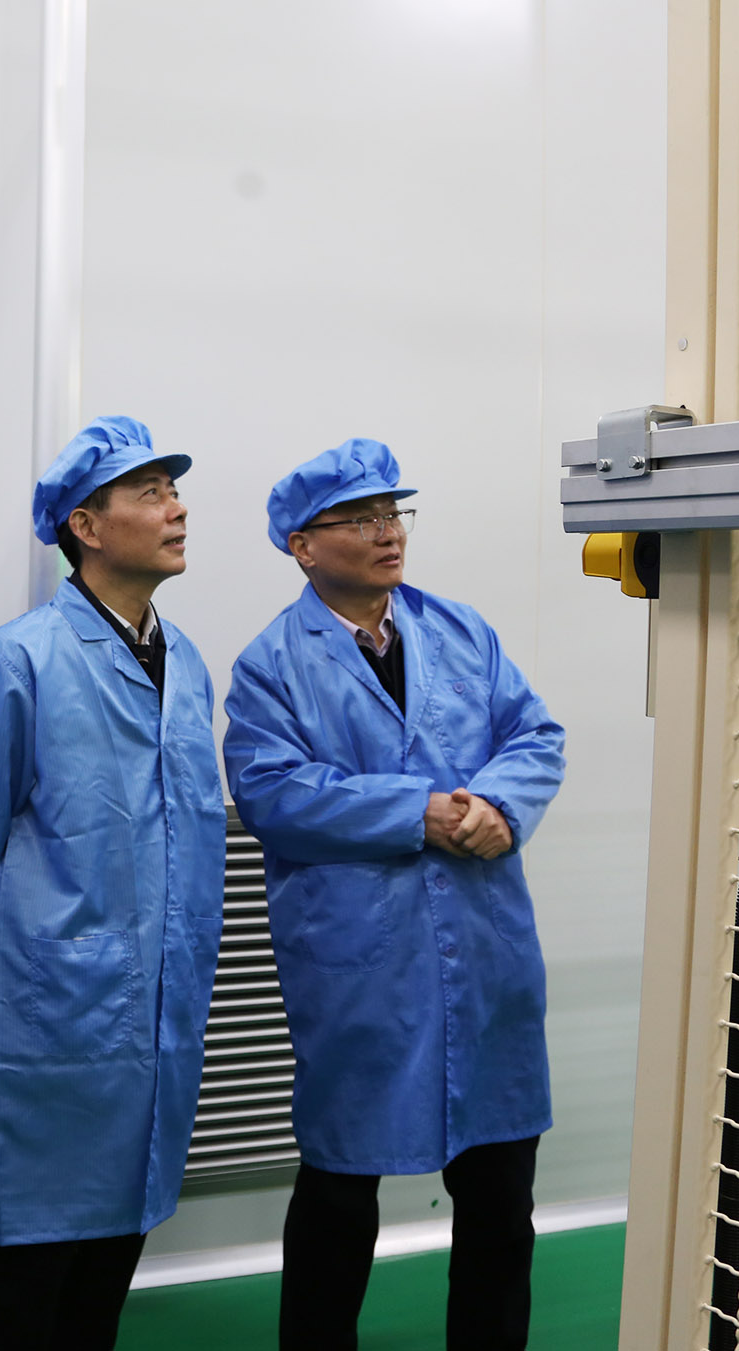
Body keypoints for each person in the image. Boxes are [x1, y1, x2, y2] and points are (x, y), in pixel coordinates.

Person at [221, 438, 566, 1351]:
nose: (387, 533)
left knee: (500, 1198)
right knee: (339, 1195)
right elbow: (272, 792)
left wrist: (499, 804)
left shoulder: (461, 629)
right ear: (303, 545)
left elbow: (535, 735)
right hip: (361, 964)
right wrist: (419, 811)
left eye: (393, 513)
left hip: (485, 951)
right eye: (361, 519)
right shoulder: (271, 664)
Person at [0, 415, 225, 1351]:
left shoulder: (186, 661)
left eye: (175, 491)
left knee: (109, 1261)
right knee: (32, 1262)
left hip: (157, 1001)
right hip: (53, 1011)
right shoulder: (17, 658)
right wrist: (36, 958)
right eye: (151, 493)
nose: (177, 509)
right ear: (85, 526)